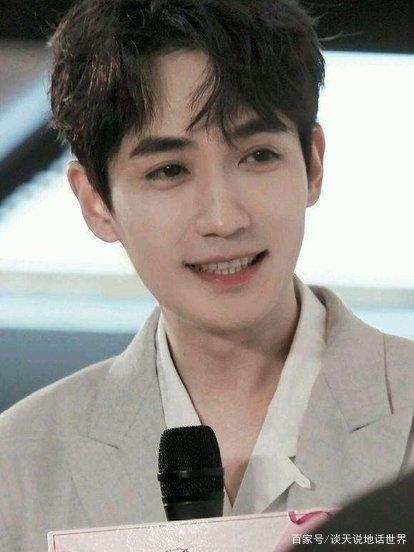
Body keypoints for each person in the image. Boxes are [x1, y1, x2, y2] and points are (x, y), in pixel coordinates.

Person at [0, 1, 413, 551]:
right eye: (169, 170)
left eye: (258, 156)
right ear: (96, 201)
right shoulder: (19, 464)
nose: (223, 218)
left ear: (313, 165)